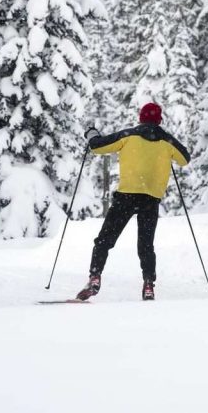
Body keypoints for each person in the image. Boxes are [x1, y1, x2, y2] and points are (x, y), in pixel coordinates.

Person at [76, 102, 191, 301]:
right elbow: (185, 159)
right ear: (159, 120)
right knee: (146, 245)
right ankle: (148, 284)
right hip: (150, 199)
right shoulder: (166, 141)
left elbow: (97, 147)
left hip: (126, 197)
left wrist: (92, 134)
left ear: (140, 118)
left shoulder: (128, 136)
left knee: (104, 240)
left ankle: (95, 277)